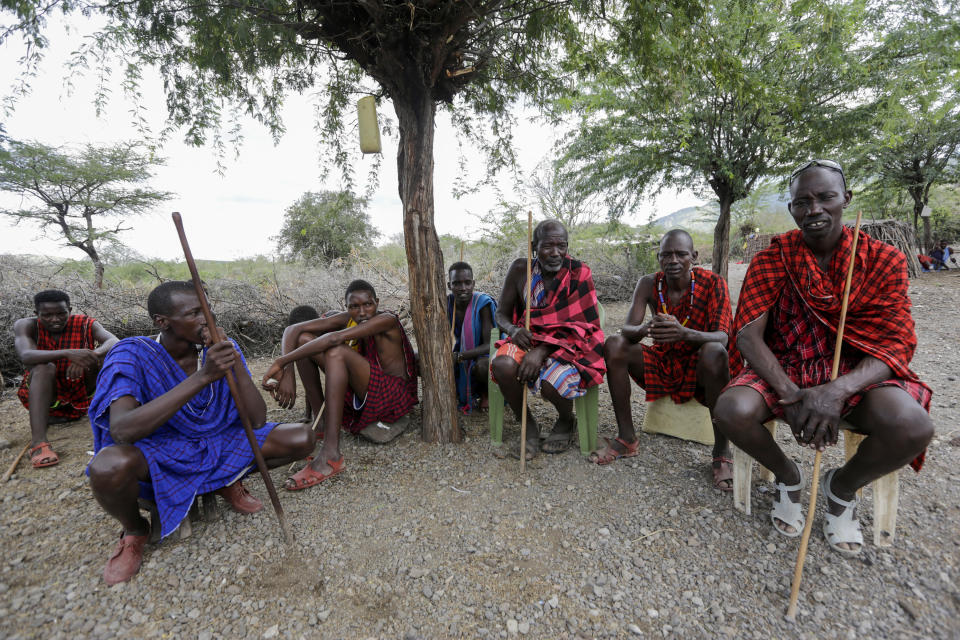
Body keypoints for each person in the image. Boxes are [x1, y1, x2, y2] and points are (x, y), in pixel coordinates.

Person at [713, 160, 933, 556]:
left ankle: (842, 488)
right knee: (730, 410)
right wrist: (791, 393)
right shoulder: (773, 258)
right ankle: (788, 476)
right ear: (792, 209)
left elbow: (897, 343)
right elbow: (747, 334)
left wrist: (836, 391)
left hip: (855, 373)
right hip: (787, 367)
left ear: (845, 199)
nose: (814, 209)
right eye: (803, 202)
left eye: (825, 197)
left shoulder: (883, 260)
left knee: (912, 427)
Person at [86, 281, 314, 585]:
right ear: (162, 321)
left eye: (207, 310)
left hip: (217, 440)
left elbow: (257, 419)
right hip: (162, 448)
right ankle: (134, 531)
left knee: (302, 438)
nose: (205, 319)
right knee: (107, 466)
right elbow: (123, 430)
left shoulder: (219, 348)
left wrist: (233, 363)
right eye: (194, 313)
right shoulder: (131, 354)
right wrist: (204, 376)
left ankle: (226, 480)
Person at [599, 230, 735, 490]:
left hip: (700, 369)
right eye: (666, 254)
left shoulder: (713, 283)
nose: (673, 260)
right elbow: (627, 329)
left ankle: (721, 452)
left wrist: (685, 334)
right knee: (614, 344)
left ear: (693, 257)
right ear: (658, 257)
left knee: (715, 351)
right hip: (662, 361)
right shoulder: (649, 284)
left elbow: (723, 337)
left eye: (681, 254)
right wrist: (645, 329)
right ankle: (627, 438)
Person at [263, 279, 418, 489]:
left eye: (368, 304)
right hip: (367, 389)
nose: (362, 312)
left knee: (336, 351)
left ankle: (330, 454)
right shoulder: (350, 319)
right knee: (304, 340)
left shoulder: (386, 320)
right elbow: (293, 330)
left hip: (392, 396)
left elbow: (335, 339)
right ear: (347, 307)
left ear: (377, 303)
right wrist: (288, 372)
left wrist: (282, 361)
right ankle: (323, 422)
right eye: (354, 306)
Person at [490, 219, 605, 459]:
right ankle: (528, 426)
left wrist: (542, 351)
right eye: (547, 246)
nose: (555, 253)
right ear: (534, 247)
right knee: (502, 364)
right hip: (526, 337)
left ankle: (566, 420)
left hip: (570, 342)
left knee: (553, 383)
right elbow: (500, 313)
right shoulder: (521, 270)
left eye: (561, 246)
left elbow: (583, 326)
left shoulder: (579, 273)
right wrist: (512, 330)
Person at [14, 289, 118, 468]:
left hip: (83, 397)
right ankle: (38, 443)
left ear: (70, 309)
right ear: (36, 314)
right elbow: (26, 355)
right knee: (44, 367)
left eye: (61, 313)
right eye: (47, 315)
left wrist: (87, 355)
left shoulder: (85, 323)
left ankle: (100, 412)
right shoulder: (26, 325)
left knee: (100, 358)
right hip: (50, 401)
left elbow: (114, 341)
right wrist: (68, 354)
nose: (55, 319)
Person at [446, 261, 497, 412]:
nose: (463, 288)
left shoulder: (482, 304)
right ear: (449, 286)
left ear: (473, 283)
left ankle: (485, 394)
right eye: (457, 283)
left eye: (467, 283)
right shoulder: (447, 303)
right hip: (460, 350)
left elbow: (489, 345)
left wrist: (460, 356)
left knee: (482, 366)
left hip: (483, 353)